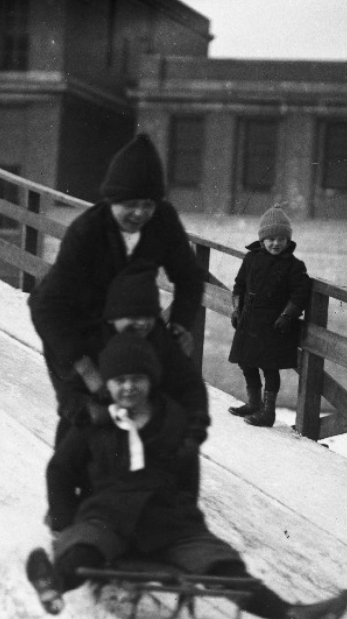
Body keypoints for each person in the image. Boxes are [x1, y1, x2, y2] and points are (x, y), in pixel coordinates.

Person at [26, 332, 347, 619]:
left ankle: (292, 618)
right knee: (84, 549)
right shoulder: (95, 424)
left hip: (169, 524)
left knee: (220, 564)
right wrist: (63, 524)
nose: (128, 387)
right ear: (108, 384)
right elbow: (61, 470)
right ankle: (53, 583)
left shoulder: (173, 422)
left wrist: (189, 523)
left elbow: (187, 479)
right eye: (119, 380)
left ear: (150, 380)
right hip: (107, 518)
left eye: (137, 379)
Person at [28, 133, 209, 446]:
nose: (139, 214)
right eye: (130, 205)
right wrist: (86, 370)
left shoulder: (163, 221)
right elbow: (46, 307)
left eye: (147, 205)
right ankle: (72, 469)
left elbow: (189, 278)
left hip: (129, 326)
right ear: (112, 200)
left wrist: (180, 325)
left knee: (146, 405)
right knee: (89, 413)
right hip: (74, 328)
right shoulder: (86, 232)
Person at [56, 259, 210, 497]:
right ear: (112, 317)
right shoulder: (93, 342)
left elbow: (190, 388)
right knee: (73, 438)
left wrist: (192, 431)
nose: (142, 323)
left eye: (148, 315)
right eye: (132, 316)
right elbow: (69, 394)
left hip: (148, 426)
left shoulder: (163, 342)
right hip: (103, 428)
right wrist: (94, 412)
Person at [226, 205, 311, 428]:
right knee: (246, 362)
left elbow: (300, 294)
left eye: (281, 239)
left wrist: (287, 315)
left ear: (288, 240)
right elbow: (239, 285)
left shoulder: (294, 266)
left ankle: (268, 412)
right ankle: (254, 403)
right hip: (250, 320)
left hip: (274, 324)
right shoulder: (251, 258)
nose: (276, 243)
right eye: (271, 239)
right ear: (262, 240)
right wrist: (236, 310)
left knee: (269, 367)